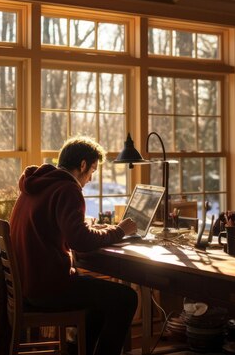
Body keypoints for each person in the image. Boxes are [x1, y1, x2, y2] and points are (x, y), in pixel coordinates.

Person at [9, 136, 139, 355]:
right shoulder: (68, 189)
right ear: (82, 165)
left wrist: (94, 229)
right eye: (92, 171)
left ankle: (77, 351)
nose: (89, 179)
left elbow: (68, 232)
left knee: (100, 298)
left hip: (29, 284)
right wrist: (119, 231)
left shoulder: (35, 185)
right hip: (48, 287)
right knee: (127, 298)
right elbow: (80, 241)